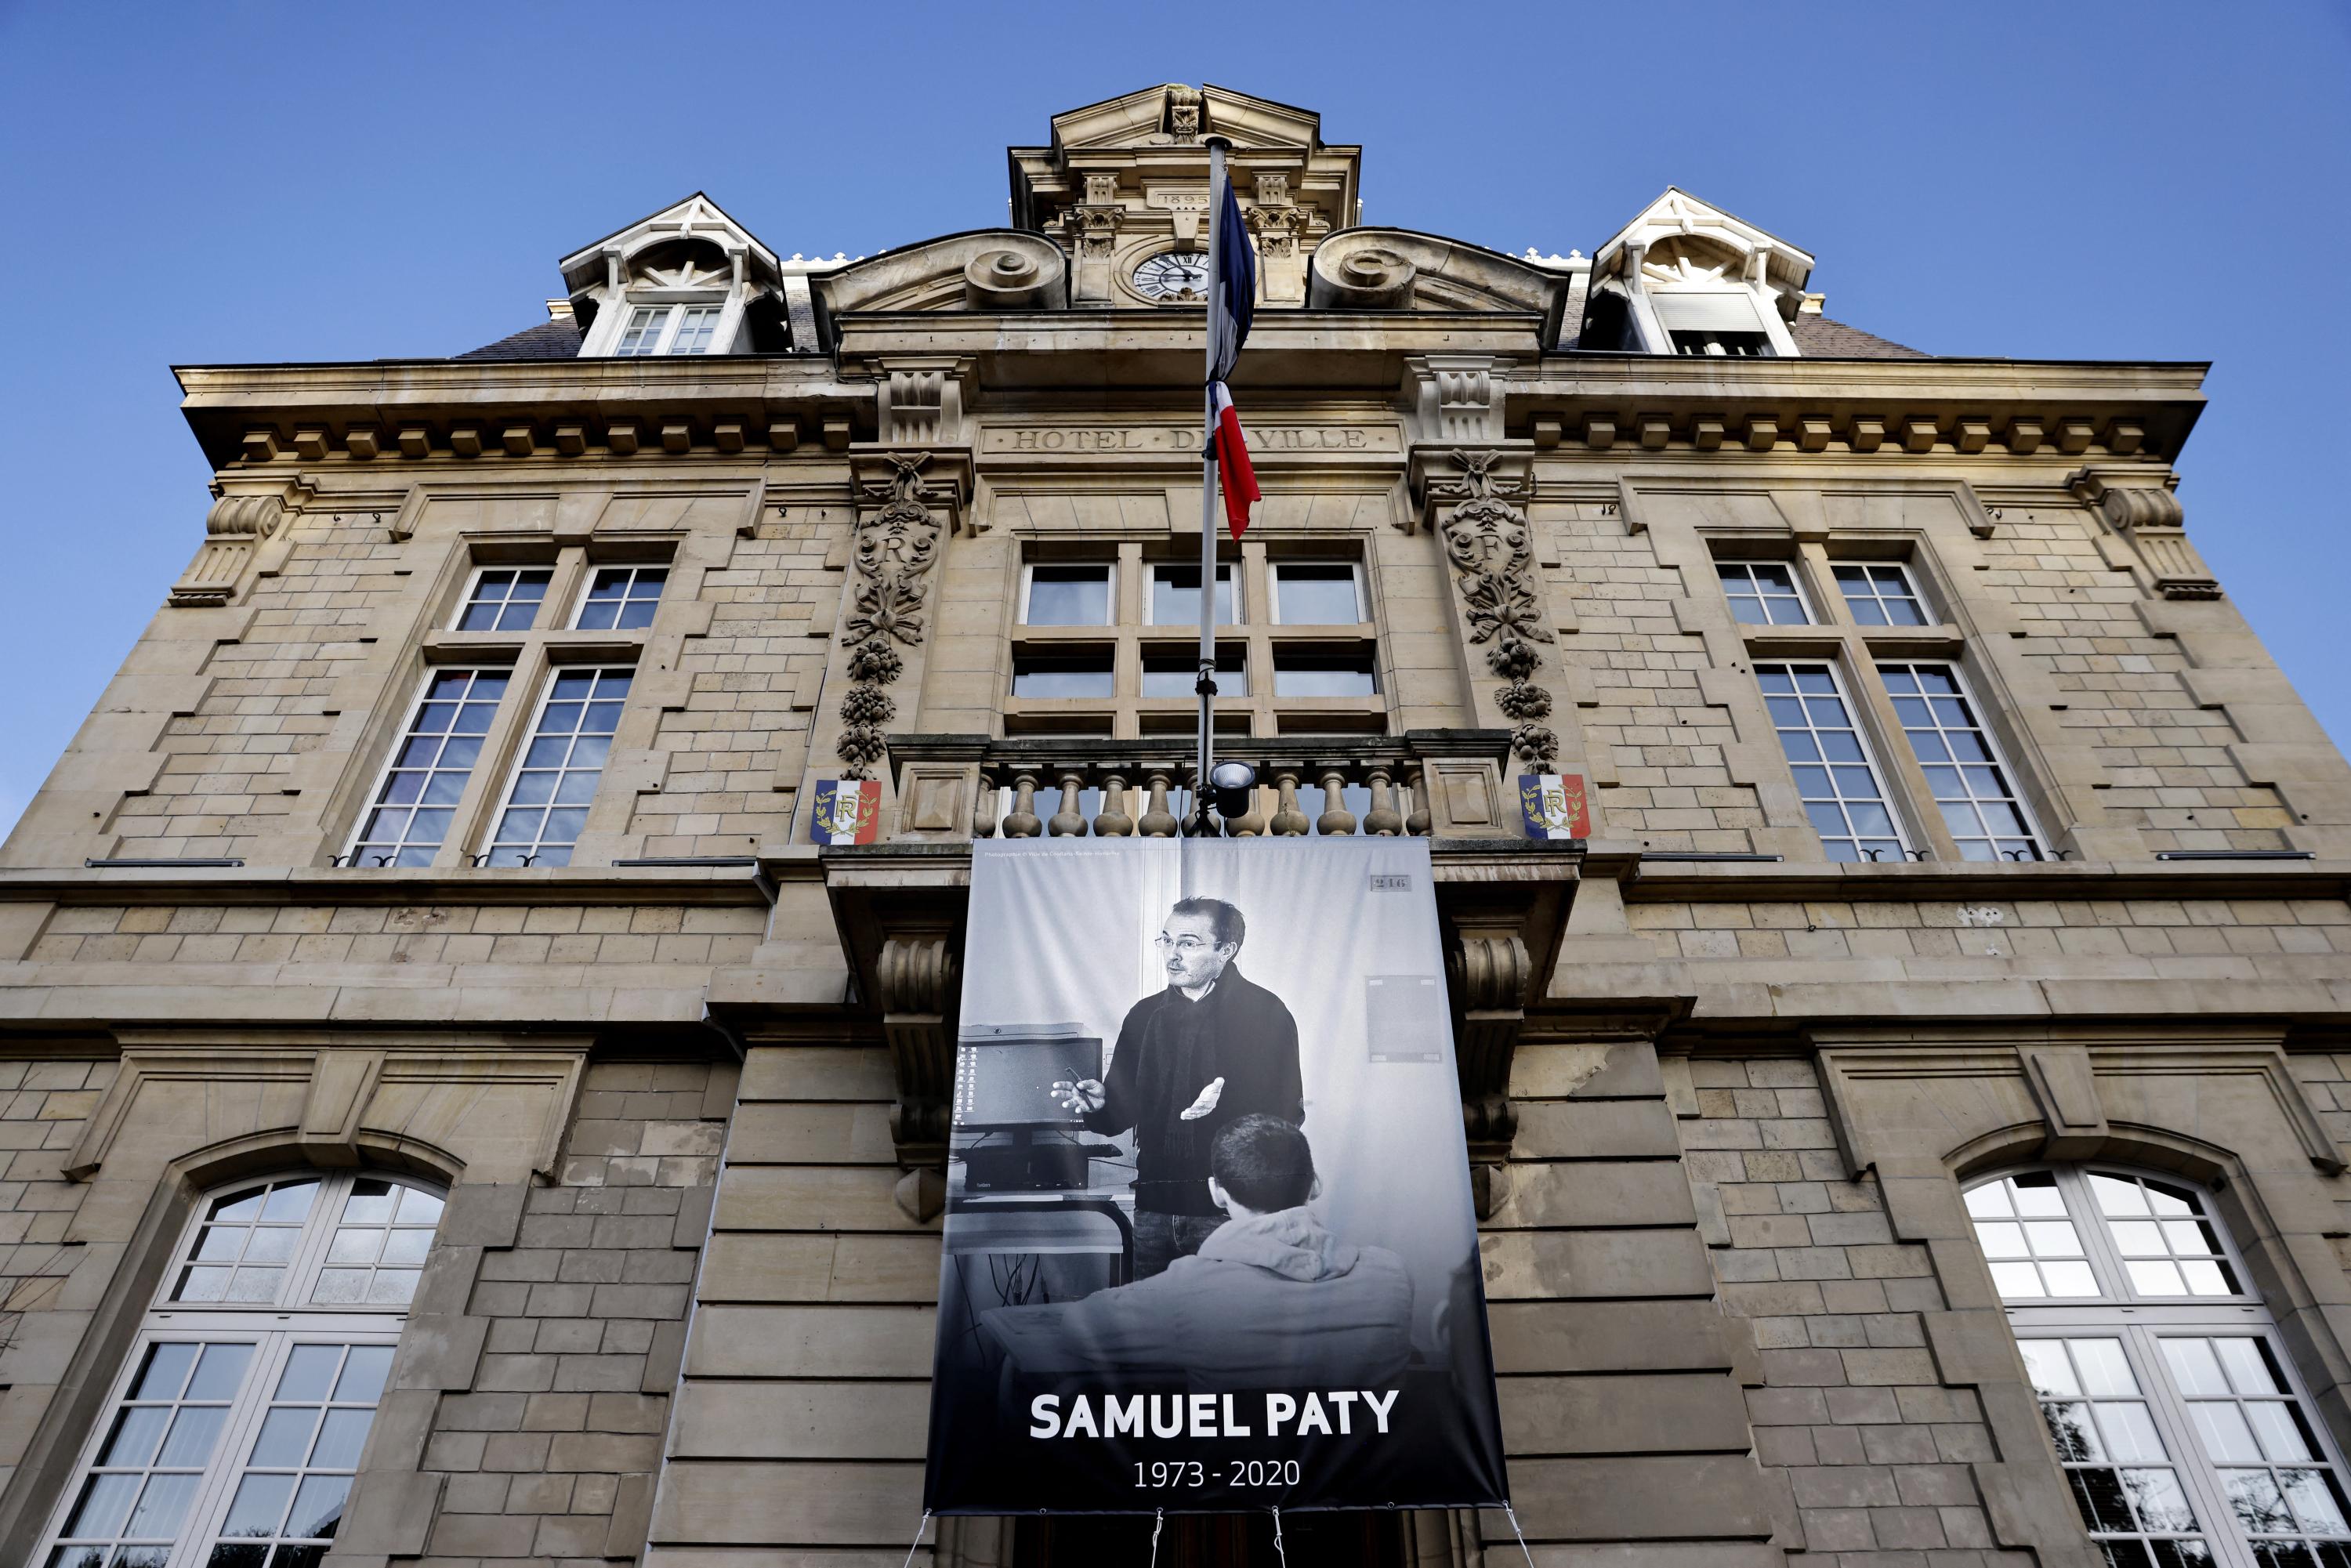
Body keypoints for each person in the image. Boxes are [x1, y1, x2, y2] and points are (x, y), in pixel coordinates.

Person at [980, 1116, 1414, 1391]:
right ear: (1315, 1184)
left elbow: (1077, 1330)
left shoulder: (1189, 1289)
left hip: (1232, 1483)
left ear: (1217, 1193)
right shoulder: (1391, 1278)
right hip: (1347, 1489)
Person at [1052, 896, 1302, 1278]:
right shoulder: (1143, 1016)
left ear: (1226, 950)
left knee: (1223, 1331)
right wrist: (1100, 1104)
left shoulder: (1266, 1015)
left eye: (1188, 943)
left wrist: (1226, 1105)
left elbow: (1287, 1119)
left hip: (1230, 1212)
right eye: (1167, 941)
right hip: (1154, 1207)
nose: (1172, 955)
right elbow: (1120, 1113)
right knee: (1154, 1329)